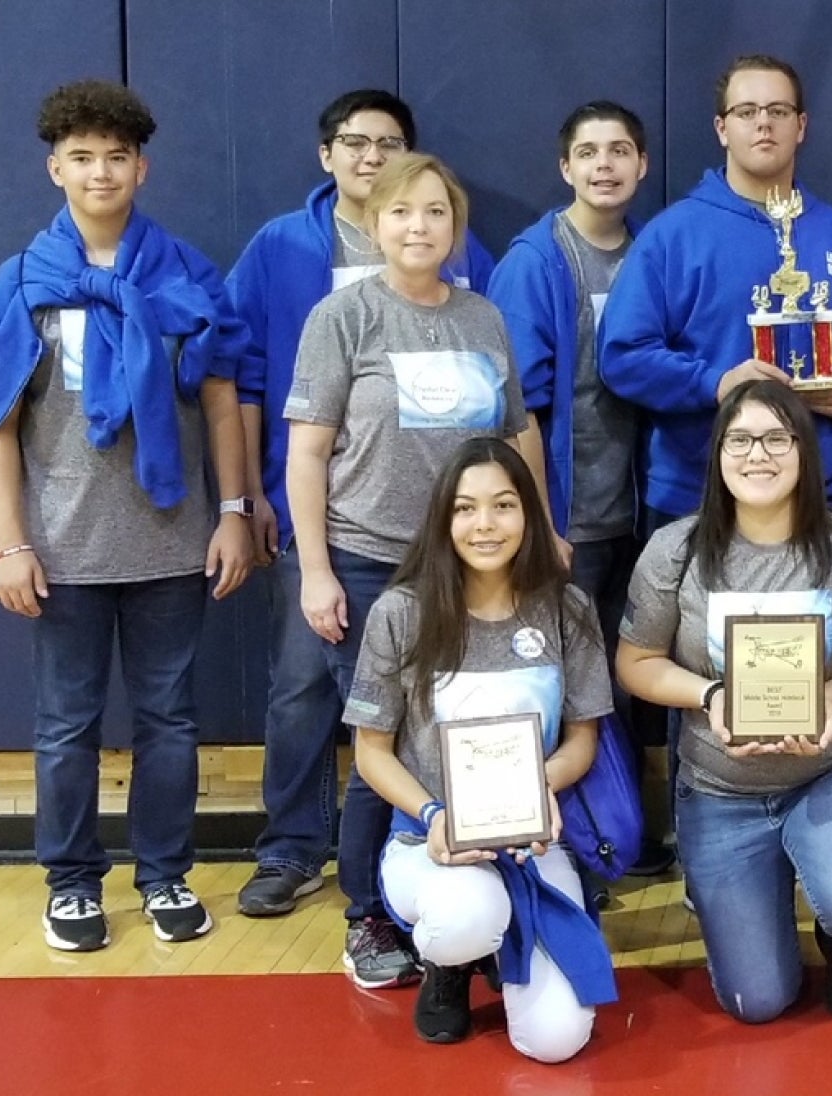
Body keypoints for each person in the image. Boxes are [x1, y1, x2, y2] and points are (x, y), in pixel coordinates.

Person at [0, 80, 252, 952]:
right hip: (60, 552)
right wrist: (9, 542)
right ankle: (71, 883)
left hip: (171, 540)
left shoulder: (186, 272)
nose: (102, 172)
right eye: (83, 157)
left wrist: (236, 511)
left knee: (170, 720)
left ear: (144, 167)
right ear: (56, 167)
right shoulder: (22, 282)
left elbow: (221, 402)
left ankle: (165, 873)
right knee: (66, 725)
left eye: (118, 156)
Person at [227, 88, 496, 920]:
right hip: (340, 534)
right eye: (356, 143)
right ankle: (302, 858)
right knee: (310, 692)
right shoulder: (287, 253)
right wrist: (251, 501)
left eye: (390, 144)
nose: (371, 156)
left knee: (421, 710)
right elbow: (246, 377)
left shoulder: (473, 286)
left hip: (455, 547)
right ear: (330, 156)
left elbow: (509, 419)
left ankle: (418, 868)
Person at [285, 152, 541, 989]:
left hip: (471, 564)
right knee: (382, 743)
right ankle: (370, 914)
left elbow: (518, 430)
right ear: (375, 223)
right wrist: (315, 570)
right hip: (366, 563)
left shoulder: (482, 317)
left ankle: (480, 882)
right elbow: (308, 451)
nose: (419, 227)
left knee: (457, 732)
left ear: (455, 226)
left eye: (435, 212)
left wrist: (542, 527)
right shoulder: (342, 316)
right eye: (401, 213)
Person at [616, 380, 832, 1022]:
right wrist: (710, 693)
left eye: (778, 438)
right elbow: (635, 663)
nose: (759, 455)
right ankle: (762, 893)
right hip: (721, 789)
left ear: (805, 452)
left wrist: (825, 697)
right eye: (741, 439)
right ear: (718, 454)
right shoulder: (675, 550)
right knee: (758, 1002)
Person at [347, 438, 617, 1060]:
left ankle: (505, 943)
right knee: (467, 916)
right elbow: (371, 754)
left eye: (504, 505)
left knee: (557, 1041)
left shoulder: (566, 610)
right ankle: (453, 963)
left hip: (533, 840)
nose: (485, 525)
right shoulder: (400, 614)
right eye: (466, 509)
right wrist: (434, 816)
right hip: (431, 846)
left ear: (529, 514)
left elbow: (583, 740)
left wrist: (542, 789)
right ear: (444, 519)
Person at [488, 99, 676, 878]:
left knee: (638, 678)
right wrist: (539, 518)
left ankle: (631, 834)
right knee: (572, 684)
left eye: (621, 151)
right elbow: (516, 405)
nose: (606, 165)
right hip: (571, 515)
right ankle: (569, 838)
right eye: (590, 152)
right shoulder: (537, 260)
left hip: (646, 506)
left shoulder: (654, 253)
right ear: (566, 168)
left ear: (642, 165)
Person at [602, 54, 832, 528]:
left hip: (817, 492)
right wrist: (716, 383)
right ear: (721, 128)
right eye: (746, 112)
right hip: (695, 495)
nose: (764, 124)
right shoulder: (674, 235)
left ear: (802, 125)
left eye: (778, 111)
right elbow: (622, 357)